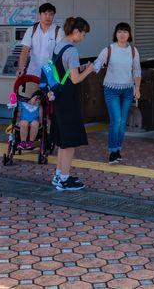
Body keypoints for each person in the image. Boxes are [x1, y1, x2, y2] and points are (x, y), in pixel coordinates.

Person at [49, 16, 95, 191]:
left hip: (59, 98)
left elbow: (65, 72)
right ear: (76, 31)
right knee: (70, 142)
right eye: (83, 33)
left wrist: (80, 68)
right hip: (69, 99)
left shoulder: (59, 45)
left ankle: (59, 175)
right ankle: (64, 179)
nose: (83, 37)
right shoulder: (72, 50)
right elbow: (76, 79)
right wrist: (89, 70)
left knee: (62, 140)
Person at [94, 22, 141, 164]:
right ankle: (112, 151)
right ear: (115, 34)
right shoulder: (109, 50)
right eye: (120, 31)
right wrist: (89, 68)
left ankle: (118, 149)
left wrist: (137, 88)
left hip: (127, 89)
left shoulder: (133, 51)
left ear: (129, 34)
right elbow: (97, 64)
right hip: (111, 89)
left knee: (122, 123)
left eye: (125, 32)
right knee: (117, 120)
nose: (122, 35)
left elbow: (137, 70)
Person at [17, 2, 62, 78]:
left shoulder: (58, 31)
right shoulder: (31, 30)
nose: (48, 17)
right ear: (39, 15)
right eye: (45, 13)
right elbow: (25, 51)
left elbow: (61, 53)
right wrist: (20, 69)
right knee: (31, 90)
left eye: (51, 14)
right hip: (32, 73)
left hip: (51, 75)